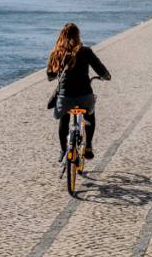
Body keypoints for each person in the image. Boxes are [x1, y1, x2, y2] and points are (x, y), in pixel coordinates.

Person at [47, 23, 111, 162]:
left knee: (64, 119)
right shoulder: (86, 51)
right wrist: (106, 76)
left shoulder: (57, 53)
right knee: (90, 115)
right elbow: (100, 69)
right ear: (78, 35)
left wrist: (58, 73)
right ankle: (88, 146)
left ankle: (63, 150)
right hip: (84, 97)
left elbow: (50, 76)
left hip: (65, 98)